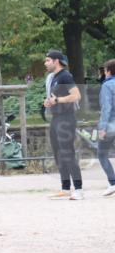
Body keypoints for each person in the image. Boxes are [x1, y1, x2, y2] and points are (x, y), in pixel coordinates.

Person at [43, 50, 83, 200]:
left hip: (66, 119)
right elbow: (56, 98)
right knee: (58, 154)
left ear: (56, 61)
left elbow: (76, 95)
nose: (45, 63)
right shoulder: (54, 77)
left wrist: (58, 100)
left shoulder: (65, 76)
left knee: (68, 153)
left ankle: (78, 189)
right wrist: (49, 102)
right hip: (56, 118)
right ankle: (65, 188)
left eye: (48, 60)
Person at [98, 59, 115, 197]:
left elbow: (106, 108)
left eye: (104, 70)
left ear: (109, 71)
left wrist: (102, 128)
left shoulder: (107, 85)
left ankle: (113, 183)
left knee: (102, 154)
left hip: (111, 126)